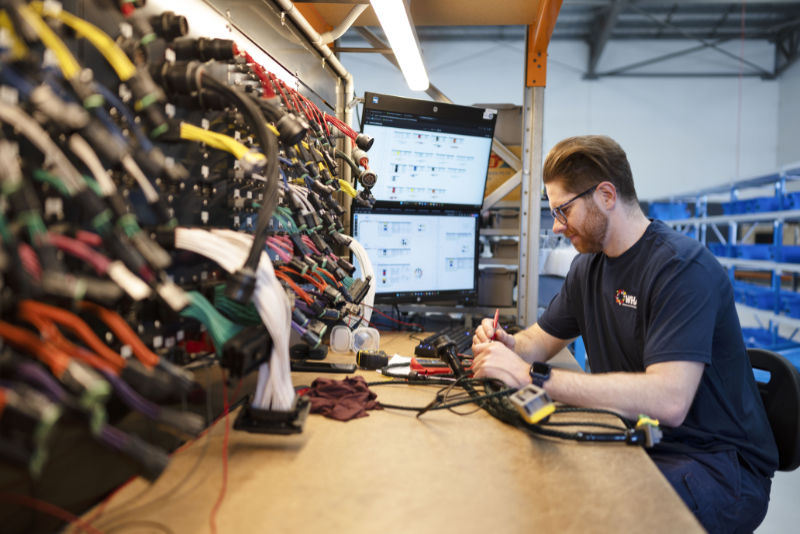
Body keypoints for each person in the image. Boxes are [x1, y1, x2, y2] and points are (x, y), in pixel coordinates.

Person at [471, 135, 778, 534]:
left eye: (563, 211)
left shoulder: (682, 269)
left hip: (717, 466)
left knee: (585, 515)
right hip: (646, 441)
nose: (558, 227)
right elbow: (539, 342)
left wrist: (533, 378)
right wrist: (510, 346)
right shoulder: (588, 268)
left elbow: (669, 401)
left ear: (606, 195)